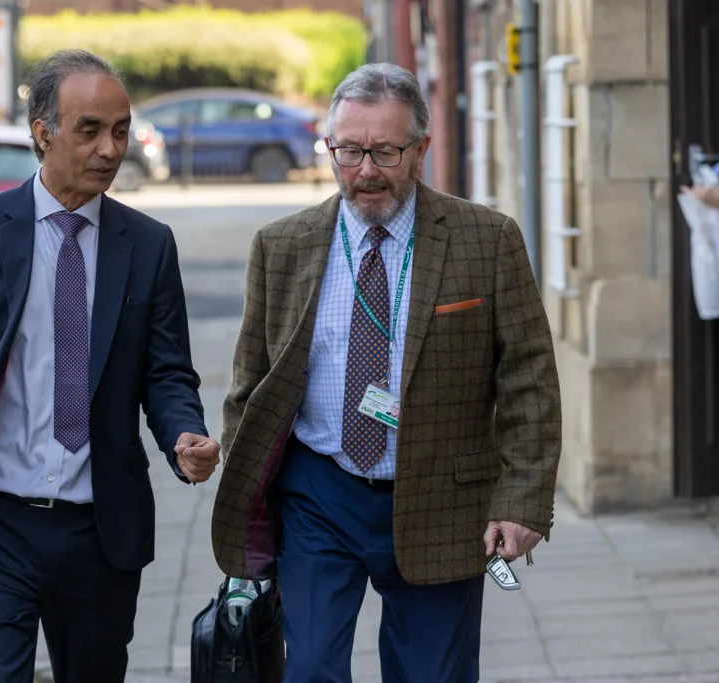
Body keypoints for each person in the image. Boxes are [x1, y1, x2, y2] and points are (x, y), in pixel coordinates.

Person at [211, 62, 562, 682]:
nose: (366, 170)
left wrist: (523, 501)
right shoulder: (282, 245)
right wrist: (248, 506)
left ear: (421, 148)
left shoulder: (487, 240)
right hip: (320, 491)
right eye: (349, 151)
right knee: (311, 668)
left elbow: (529, 377)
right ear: (330, 148)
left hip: (439, 495)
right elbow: (250, 386)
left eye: (386, 151)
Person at [0, 48, 221, 683]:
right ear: (43, 134)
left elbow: (166, 372)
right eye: (89, 129)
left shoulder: (148, 245)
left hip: (99, 530)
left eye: (120, 130)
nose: (110, 149)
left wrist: (184, 436)